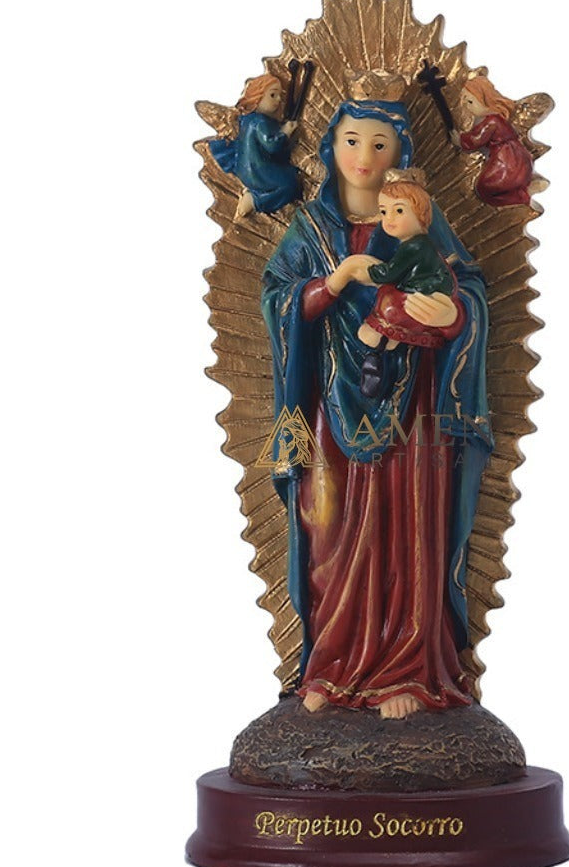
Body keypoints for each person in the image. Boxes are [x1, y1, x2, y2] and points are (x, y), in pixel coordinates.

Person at [261, 85, 494, 719]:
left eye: (380, 143)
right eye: (351, 140)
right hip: (330, 399)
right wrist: (334, 281)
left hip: (412, 405)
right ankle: (329, 664)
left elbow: (468, 292)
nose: (364, 157)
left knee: (406, 527)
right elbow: (277, 300)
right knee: (327, 527)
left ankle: (408, 672)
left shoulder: (421, 226)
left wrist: (453, 315)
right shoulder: (312, 231)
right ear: (329, 146)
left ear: (401, 154)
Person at [348, 168, 459, 399]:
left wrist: (370, 272)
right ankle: (382, 346)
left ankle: (381, 343)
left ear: (420, 213)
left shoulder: (414, 245)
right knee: (389, 298)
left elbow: (390, 272)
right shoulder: (416, 244)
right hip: (420, 289)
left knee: (388, 301)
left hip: (424, 292)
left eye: (398, 211)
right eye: (383, 211)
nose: (389, 219)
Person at [208, 74, 301, 218]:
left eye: (280, 96)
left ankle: (255, 191)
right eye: (272, 95)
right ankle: (256, 201)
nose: (278, 100)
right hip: (257, 170)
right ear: (257, 97)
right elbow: (272, 145)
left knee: (289, 173)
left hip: (246, 169)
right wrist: (286, 132)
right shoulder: (260, 122)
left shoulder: (247, 119)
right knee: (289, 185)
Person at [450, 76, 533, 207]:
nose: (467, 106)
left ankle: (519, 198)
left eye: (470, 101)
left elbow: (476, 139)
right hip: (520, 159)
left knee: (486, 185)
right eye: (464, 101)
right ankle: (521, 191)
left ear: (485, 101)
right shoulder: (495, 119)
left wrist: (460, 140)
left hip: (507, 160)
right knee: (507, 182)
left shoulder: (492, 121)